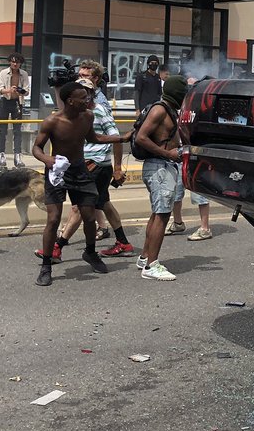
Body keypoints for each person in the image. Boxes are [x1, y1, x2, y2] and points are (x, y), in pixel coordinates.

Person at [31, 81, 131, 288]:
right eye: (83, 97)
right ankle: (47, 265)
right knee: (54, 219)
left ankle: (90, 252)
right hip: (57, 171)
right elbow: (37, 148)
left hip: (79, 169)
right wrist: (47, 160)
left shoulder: (88, 116)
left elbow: (94, 137)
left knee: (88, 215)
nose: (87, 100)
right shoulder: (52, 121)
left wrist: (120, 138)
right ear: (70, 101)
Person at [135, 75, 189, 281]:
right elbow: (141, 137)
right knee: (162, 215)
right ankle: (151, 266)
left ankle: (145, 256)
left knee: (157, 213)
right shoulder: (159, 110)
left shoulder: (168, 109)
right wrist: (167, 154)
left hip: (162, 167)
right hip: (160, 167)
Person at [0, 53, 30, 170]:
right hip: (5, 102)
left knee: (17, 130)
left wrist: (20, 90)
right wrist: (8, 90)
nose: (15, 64)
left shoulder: (24, 74)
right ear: (10, 62)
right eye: (13, 61)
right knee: (3, 129)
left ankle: (18, 155)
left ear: (20, 63)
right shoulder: (3, 73)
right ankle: (1, 155)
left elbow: (27, 91)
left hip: (18, 102)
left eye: (17, 62)